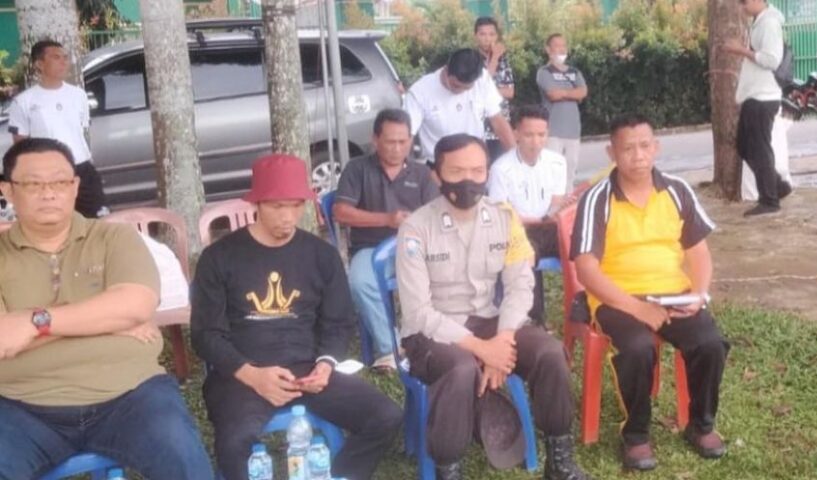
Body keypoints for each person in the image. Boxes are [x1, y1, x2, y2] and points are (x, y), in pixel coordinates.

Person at [0, 138, 213, 479]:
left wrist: (34, 321)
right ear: (8, 190)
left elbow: (135, 305)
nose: (49, 193)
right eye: (33, 184)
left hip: (131, 396)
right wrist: (106, 320)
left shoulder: (115, 239)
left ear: (75, 186)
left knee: (183, 460)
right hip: (21, 407)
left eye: (59, 182)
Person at [191, 154, 404, 480]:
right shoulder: (220, 257)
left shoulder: (321, 255)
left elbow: (339, 322)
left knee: (385, 416)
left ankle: (338, 476)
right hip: (242, 375)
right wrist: (251, 375)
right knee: (234, 443)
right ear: (257, 203)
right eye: (277, 206)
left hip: (307, 371)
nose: (288, 216)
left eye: (295, 205)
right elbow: (206, 334)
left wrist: (326, 364)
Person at [396, 134, 592, 480]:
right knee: (460, 368)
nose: (468, 180)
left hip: (489, 321)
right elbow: (418, 312)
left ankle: (559, 461)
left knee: (549, 353)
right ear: (436, 175)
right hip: (430, 333)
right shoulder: (415, 229)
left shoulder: (504, 218)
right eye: (456, 171)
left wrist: (502, 340)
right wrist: (482, 350)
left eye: (477, 170)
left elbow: (520, 285)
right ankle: (447, 470)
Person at [571, 114, 729, 471]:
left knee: (710, 343)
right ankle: (636, 435)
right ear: (612, 153)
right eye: (628, 148)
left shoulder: (676, 190)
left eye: (645, 146)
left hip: (673, 293)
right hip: (616, 297)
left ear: (656, 147)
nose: (638, 156)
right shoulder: (597, 199)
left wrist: (698, 294)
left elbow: (699, 253)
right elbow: (586, 269)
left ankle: (701, 425)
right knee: (638, 347)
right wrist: (636, 308)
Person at [334, 108, 439, 371]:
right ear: (375, 140)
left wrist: (414, 225)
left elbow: (437, 217)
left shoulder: (422, 174)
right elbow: (340, 212)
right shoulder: (357, 169)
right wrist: (387, 219)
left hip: (415, 249)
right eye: (390, 141)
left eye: (403, 141)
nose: (397, 148)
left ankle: (437, 340)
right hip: (370, 248)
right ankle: (390, 349)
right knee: (360, 282)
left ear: (411, 140)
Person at [487, 105, 576, 326]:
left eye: (541, 134)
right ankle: (531, 318)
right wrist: (540, 219)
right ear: (516, 133)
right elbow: (503, 215)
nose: (536, 142)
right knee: (524, 255)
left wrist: (563, 208)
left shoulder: (557, 162)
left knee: (583, 250)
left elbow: (556, 204)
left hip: (550, 227)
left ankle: (584, 308)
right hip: (519, 230)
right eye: (529, 135)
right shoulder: (501, 169)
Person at [6, 40, 108, 217]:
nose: (63, 62)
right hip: (48, 174)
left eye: (65, 58)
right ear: (39, 64)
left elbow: (82, 132)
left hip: (82, 168)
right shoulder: (24, 102)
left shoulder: (78, 95)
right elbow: (20, 146)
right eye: (56, 57)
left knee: (97, 220)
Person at [721, 0, 792, 217]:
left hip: (763, 96)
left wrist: (741, 50)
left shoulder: (769, 23)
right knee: (745, 146)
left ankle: (769, 199)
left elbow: (771, 60)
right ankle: (776, 185)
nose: (741, 7)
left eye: (743, 2)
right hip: (755, 95)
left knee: (760, 148)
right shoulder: (760, 21)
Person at [405, 48, 515, 161]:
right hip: (437, 164)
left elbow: (498, 122)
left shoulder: (482, 80)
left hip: (476, 160)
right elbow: (406, 135)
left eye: (467, 88)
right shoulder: (420, 92)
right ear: (446, 70)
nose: (460, 91)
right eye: (455, 85)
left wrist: (516, 161)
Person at [536, 34, 588, 187]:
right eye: (557, 46)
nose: (561, 49)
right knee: (552, 170)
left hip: (573, 131)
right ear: (548, 49)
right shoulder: (544, 72)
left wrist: (564, 93)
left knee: (570, 169)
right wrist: (573, 93)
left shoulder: (575, 72)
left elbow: (583, 92)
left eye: (564, 46)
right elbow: (553, 94)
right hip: (553, 131)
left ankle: (568, 198)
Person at [475, 17, 516, 163]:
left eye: (491, 34)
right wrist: (494, 59)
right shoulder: (472, 59)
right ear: (476, 36)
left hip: (500, 127)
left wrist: (487, 91)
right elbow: (479, 86)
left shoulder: (503, 60)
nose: (487, 39)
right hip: (479, 128)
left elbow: (510, 92)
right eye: (483, 34)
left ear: (497, 36)